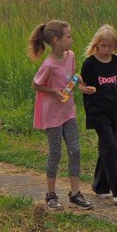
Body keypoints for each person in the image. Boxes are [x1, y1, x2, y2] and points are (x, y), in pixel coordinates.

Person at [28, 20, 93, 210]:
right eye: (69, 37)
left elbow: (71, 78)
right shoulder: (48, 65)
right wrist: (53, 92)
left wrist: (82, 87)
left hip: (68, 112)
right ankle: (51, 194)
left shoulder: (71, 56)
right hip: (52, 117)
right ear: (57, 40)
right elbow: (35, 84)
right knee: (55, 154)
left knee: (75, 150)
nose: (72, 40)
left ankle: (75, 194)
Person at [80, 23, 117, 206]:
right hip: (97, 112)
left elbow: (116, 81)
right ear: (96, 44)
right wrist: (84, 89)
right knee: (110, 146)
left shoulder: (116, 62)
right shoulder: (89, 64)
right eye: (104, 46)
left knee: (110, 146)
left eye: (111, 46)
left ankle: (100, 186)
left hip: (114, 111)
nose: (107, 49)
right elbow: (80, 83)